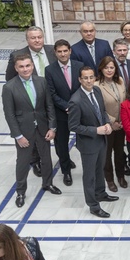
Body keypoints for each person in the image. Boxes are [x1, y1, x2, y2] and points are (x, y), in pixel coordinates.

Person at [2, 54, 60, 208]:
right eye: (21, 66)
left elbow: (49, 106)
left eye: (28, 65)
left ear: (32, 66)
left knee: (46, 158)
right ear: (16, 68)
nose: (25, 69)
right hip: (24, 131)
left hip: (42, 127)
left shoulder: (41, 81)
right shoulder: (9, 87)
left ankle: (47, 183)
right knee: (22, 162)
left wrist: (52, 127)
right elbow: (9, 114)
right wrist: (18, 135)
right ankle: (20, 191)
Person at [5, 26, 56, 177]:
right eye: (33, 38)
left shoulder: (52, 50)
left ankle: (62, 157)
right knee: (32, 132)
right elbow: (10, 79)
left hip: (50, 100)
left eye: (39, 37)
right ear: (27, 40)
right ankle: (35, 161)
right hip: (30, 102)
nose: (37, 40)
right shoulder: (18, 55)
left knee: (50, 130)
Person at [68, 66, 118, 218]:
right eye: (85, 78)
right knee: (89, 175)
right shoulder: (75, 101)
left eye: (91, 77)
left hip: (102, 140)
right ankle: (93, 205)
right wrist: (96, 130)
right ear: (80, 80)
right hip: (88, 144)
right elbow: (74, 126)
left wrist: (108, 123)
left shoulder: (96, 91)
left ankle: (101, 193)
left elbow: (101, 111)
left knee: (99, 169)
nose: (89, 80)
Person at [44, 39, 82, 186]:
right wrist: (67, 106)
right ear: (55, 53)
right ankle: (66, 171)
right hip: (61, 113)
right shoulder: (50, 70)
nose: (63, 54)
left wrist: (76, 106)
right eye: (59, 51)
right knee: (62, 144)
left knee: (84, 140)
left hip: (79, 112)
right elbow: (51, 93)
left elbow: (82, 88)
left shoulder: (79, 66)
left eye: (65, 51)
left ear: (70, 51)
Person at [94, 56, 127, 193]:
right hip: (107, 125)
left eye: (112, 67)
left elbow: (124, 101)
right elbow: (99, 108)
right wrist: (112, 122)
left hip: (122, 125)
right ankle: (109, 179)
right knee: (106, 154)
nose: (109, 70)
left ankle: (121, 176)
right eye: (106, 67)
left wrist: (123, 121)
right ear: (101, 68)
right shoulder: (96, 85)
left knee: (119, 152)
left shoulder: (120, 81)